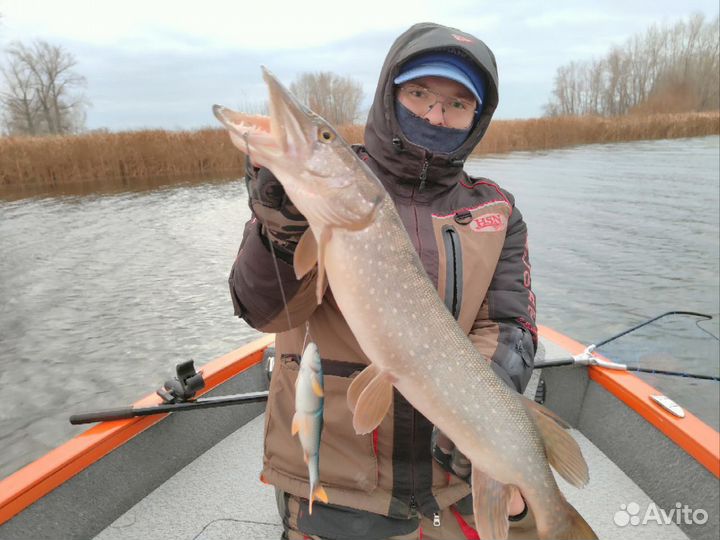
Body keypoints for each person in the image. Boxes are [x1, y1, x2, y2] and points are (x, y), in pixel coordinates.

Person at [229, 22, 538, 540]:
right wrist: (280, 220)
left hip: (451, 478)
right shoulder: (328, 196)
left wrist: (472, 417)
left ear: (477, 119)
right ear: (390, 94)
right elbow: (266, 311)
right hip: (336, 479)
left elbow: (508, 324)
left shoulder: (495, 209)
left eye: (458, 104)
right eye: (419, 93)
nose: (435, 114)